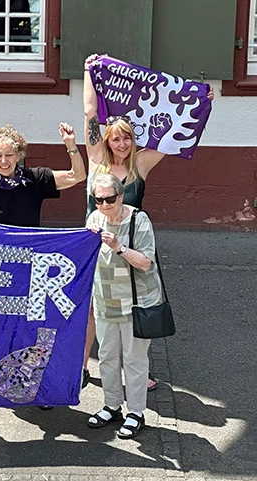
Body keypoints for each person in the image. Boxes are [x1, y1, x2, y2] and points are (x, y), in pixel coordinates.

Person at [81, 54, 214, 389]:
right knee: (95, 308)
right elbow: (90, 114)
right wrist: (87, 72)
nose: (121, 143)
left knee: (133, 304)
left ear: (133, 139)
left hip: (131, 241)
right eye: (116, 138)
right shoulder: (96, 158)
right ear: (108, 139)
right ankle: (81, 366)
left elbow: (176, 137)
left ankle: (134, 368)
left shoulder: (142, 163)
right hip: (96, 241)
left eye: (126, 138)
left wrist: (200, 104)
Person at [85, 173, 163, 439]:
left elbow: (145, 262)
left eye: (110, 199)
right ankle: (111, 406)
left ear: (121, 196)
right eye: (99, 200)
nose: (105, 205)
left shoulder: (138, 220)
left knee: (134, 360)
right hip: (105, 301)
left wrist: (119, 247)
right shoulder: (94, 218)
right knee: (107, 358)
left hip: (136, 303)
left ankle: (136, 412)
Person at [0, 122, 86, 227]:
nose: (3, 161)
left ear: (18, 156)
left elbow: (77, 176)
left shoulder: (36, 178)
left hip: (29, 247)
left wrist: (71, 145)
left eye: (9, 155)